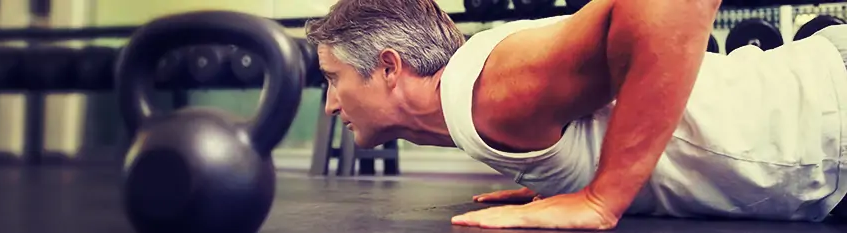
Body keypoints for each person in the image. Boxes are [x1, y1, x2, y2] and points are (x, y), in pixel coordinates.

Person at [304, 0, 847, 230]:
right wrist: (568, 173)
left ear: (390, 68)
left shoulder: (489, 89)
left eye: (334, 78)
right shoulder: (481, 98)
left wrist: (602, 195)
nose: (329, 103)